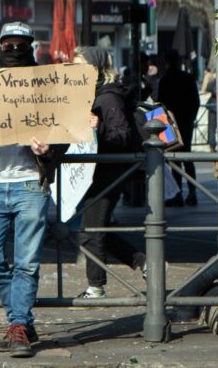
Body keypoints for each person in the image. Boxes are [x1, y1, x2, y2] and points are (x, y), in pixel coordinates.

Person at [0, 22, 67, 358]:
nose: (14, 50)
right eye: (8, 45)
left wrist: (48, 149)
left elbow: (63, 129)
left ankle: (19, 326)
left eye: (20, 45)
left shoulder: (47, 84)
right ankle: (21, 320)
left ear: (31, 47)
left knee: (27, 262)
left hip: (30, 185)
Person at [74, 47, 146, 299]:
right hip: (98, 171)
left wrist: (99, 126)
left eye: (80, 66)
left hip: (107, 173)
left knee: (89, 231)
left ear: (94, 69)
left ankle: (96, 286)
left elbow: (121, 135)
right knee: (98, 227)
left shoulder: (107, 98)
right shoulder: (93, 94)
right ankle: (143, 261)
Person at [158, 49, 200, 206]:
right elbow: (196, 101)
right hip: (186, 122)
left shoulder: (165, 80)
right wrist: (191, 118)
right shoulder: (188, 78)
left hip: (170, 123)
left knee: (174, 160)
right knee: (188, 158)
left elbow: (160, 104)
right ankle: (192, 192)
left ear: (167, 62)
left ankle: (178, 194)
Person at [200, 65, 217, 151]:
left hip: (214, 106)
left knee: (212, 127)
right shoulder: (214, 80)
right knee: (212, 127)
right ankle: (212, 144)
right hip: (214, 106)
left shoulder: (214, 80)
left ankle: (212, 145)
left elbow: (207, 88)